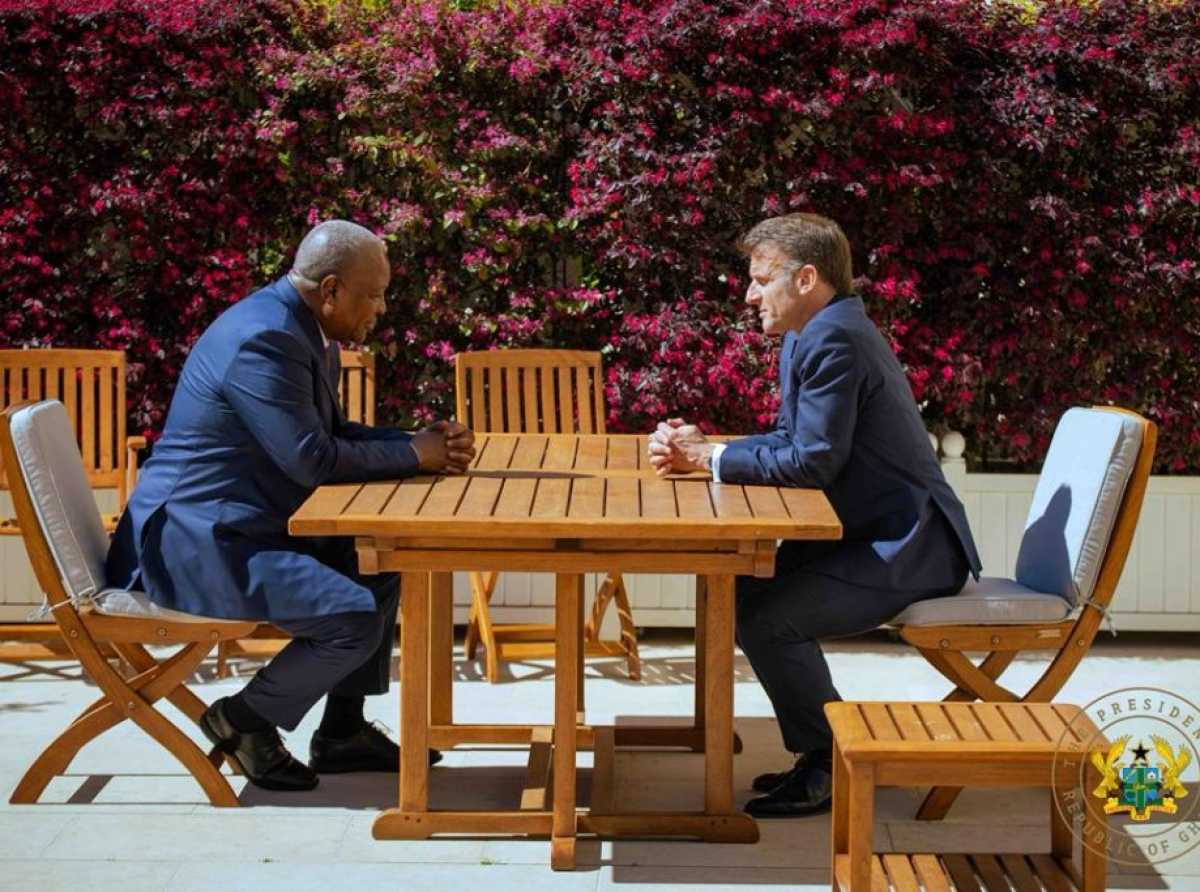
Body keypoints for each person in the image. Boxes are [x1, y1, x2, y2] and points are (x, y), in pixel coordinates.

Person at [106, 220, 475, 792]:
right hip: (196, 543)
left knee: (376, 562)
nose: (380, 308)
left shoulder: (301, 329)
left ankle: (342, 733)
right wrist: (413, 454)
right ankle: (243, 718)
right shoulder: (266, 339)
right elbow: (311, 459)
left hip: (243, 524)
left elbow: (332, 432)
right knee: (351, 618)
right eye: (373, 295)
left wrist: (414, 442)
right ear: (331, 290)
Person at [647, 213, 981, 817]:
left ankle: (830, 764)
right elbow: (789, 438)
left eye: (760, 279)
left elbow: (813, 461)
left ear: (805, 278)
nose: (748, 294)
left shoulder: (835, 336)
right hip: (872, 534)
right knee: (746, 590)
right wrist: (707, 450)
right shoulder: (812, 332)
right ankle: (819, 754)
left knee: (769, 616)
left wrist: (708, 458)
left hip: (912, 547)